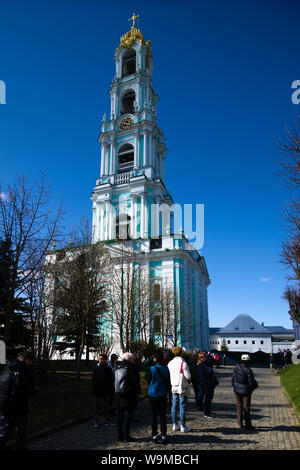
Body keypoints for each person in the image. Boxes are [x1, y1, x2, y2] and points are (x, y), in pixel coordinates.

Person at [1, 350, 38, 450]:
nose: (31, 364)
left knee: (6, 429)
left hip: (5, 405)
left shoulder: (8, 367)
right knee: (21, 431)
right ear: (27, 360)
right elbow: (30, 390)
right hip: (20, 406)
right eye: (31, 362)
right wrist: (34, 390)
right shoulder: (25, 370)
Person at [145, 351, 171, 444]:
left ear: (155, 358)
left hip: (153, 394)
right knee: (163, 416)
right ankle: (164, 434)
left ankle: (155, 434)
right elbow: (168, 381)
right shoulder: (166, 368)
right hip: (162, 394)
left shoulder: (151, 369)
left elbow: (148, 380)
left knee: (154, 416)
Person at [115, 352, 140, 442]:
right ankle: (126, 436)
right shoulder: (132, 367)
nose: (134, 360)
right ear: (130, 359)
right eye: (133, 359)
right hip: (129, 395)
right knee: (128, 415)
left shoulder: (118, 367)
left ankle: (119, 435)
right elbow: (135, 381)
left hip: (118, 394)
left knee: (119, 415)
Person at [167, 346, 192, 433]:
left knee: (174, 406)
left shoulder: (170, 363)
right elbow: (188, 376)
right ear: (181, 353)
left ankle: (175, 424)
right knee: (182, 406)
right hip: (182, 386)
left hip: (173, 385)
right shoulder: (183, 363)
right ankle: (183, 426)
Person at [231, 354, 258, 431]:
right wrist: (251, 390)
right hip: (245, 391)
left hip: (237, 390)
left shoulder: (236, 368)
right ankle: (248, 425)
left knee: (239, 406)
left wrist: (235, 386)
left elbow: (233, 378)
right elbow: (251, 382)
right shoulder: (248, 370)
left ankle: (239, 424)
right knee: (246, 408)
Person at [92, 353, 115, 428]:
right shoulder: (96, 368)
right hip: (97, 389)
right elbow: (93, 379)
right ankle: (95, 420)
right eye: (99, 359)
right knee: (96, 406)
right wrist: (95, 387)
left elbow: (111, 380)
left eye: (102, 359)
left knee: (107, 406)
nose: (100, 360)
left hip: (106, 389)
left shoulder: (108, 369)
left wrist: (111, 389)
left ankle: (107, 420)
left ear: (105, 360)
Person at [196, 352, 219, 418]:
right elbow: (202, 377)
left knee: (209, 398)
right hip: (206, 385)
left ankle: (208, 411)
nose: (205, 357)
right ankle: (206, 413)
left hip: (210, 384)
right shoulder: (200, 366)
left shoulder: (207, 364)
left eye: (205, 356)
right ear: (201, 358)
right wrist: (206, 386)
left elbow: (211, 373)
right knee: (207, 399)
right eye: (204, 357)